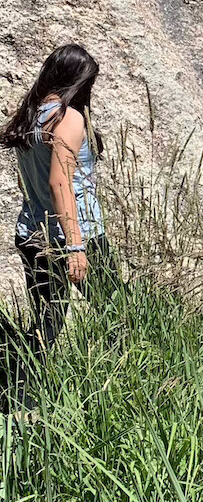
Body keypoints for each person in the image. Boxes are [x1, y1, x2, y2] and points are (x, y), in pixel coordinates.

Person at [1, 43, 109, 346]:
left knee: (45, 328)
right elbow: (59, 183)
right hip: (76, 235)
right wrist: (75, 247)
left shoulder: (29, 118)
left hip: (32, 234)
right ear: (77, 81)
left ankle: (21, 390)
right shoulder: (68, 118)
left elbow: (28, 182)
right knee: (116, 315)